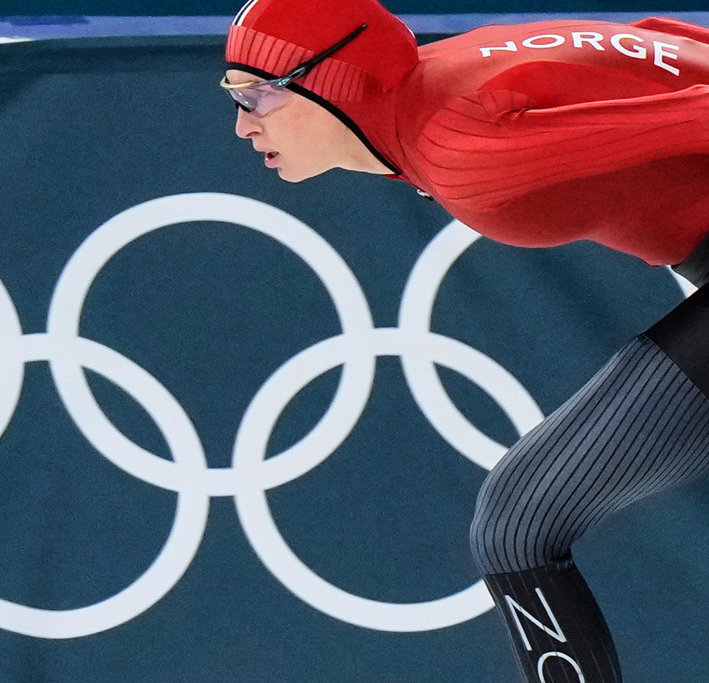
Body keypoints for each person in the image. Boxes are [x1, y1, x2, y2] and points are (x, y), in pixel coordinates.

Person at [221, 1, 709, 681]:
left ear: (334, 80)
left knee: (518, 526)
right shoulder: (444, 73)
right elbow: (656, 40)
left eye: (257, 94)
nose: (242, 122)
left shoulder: (462, 148)